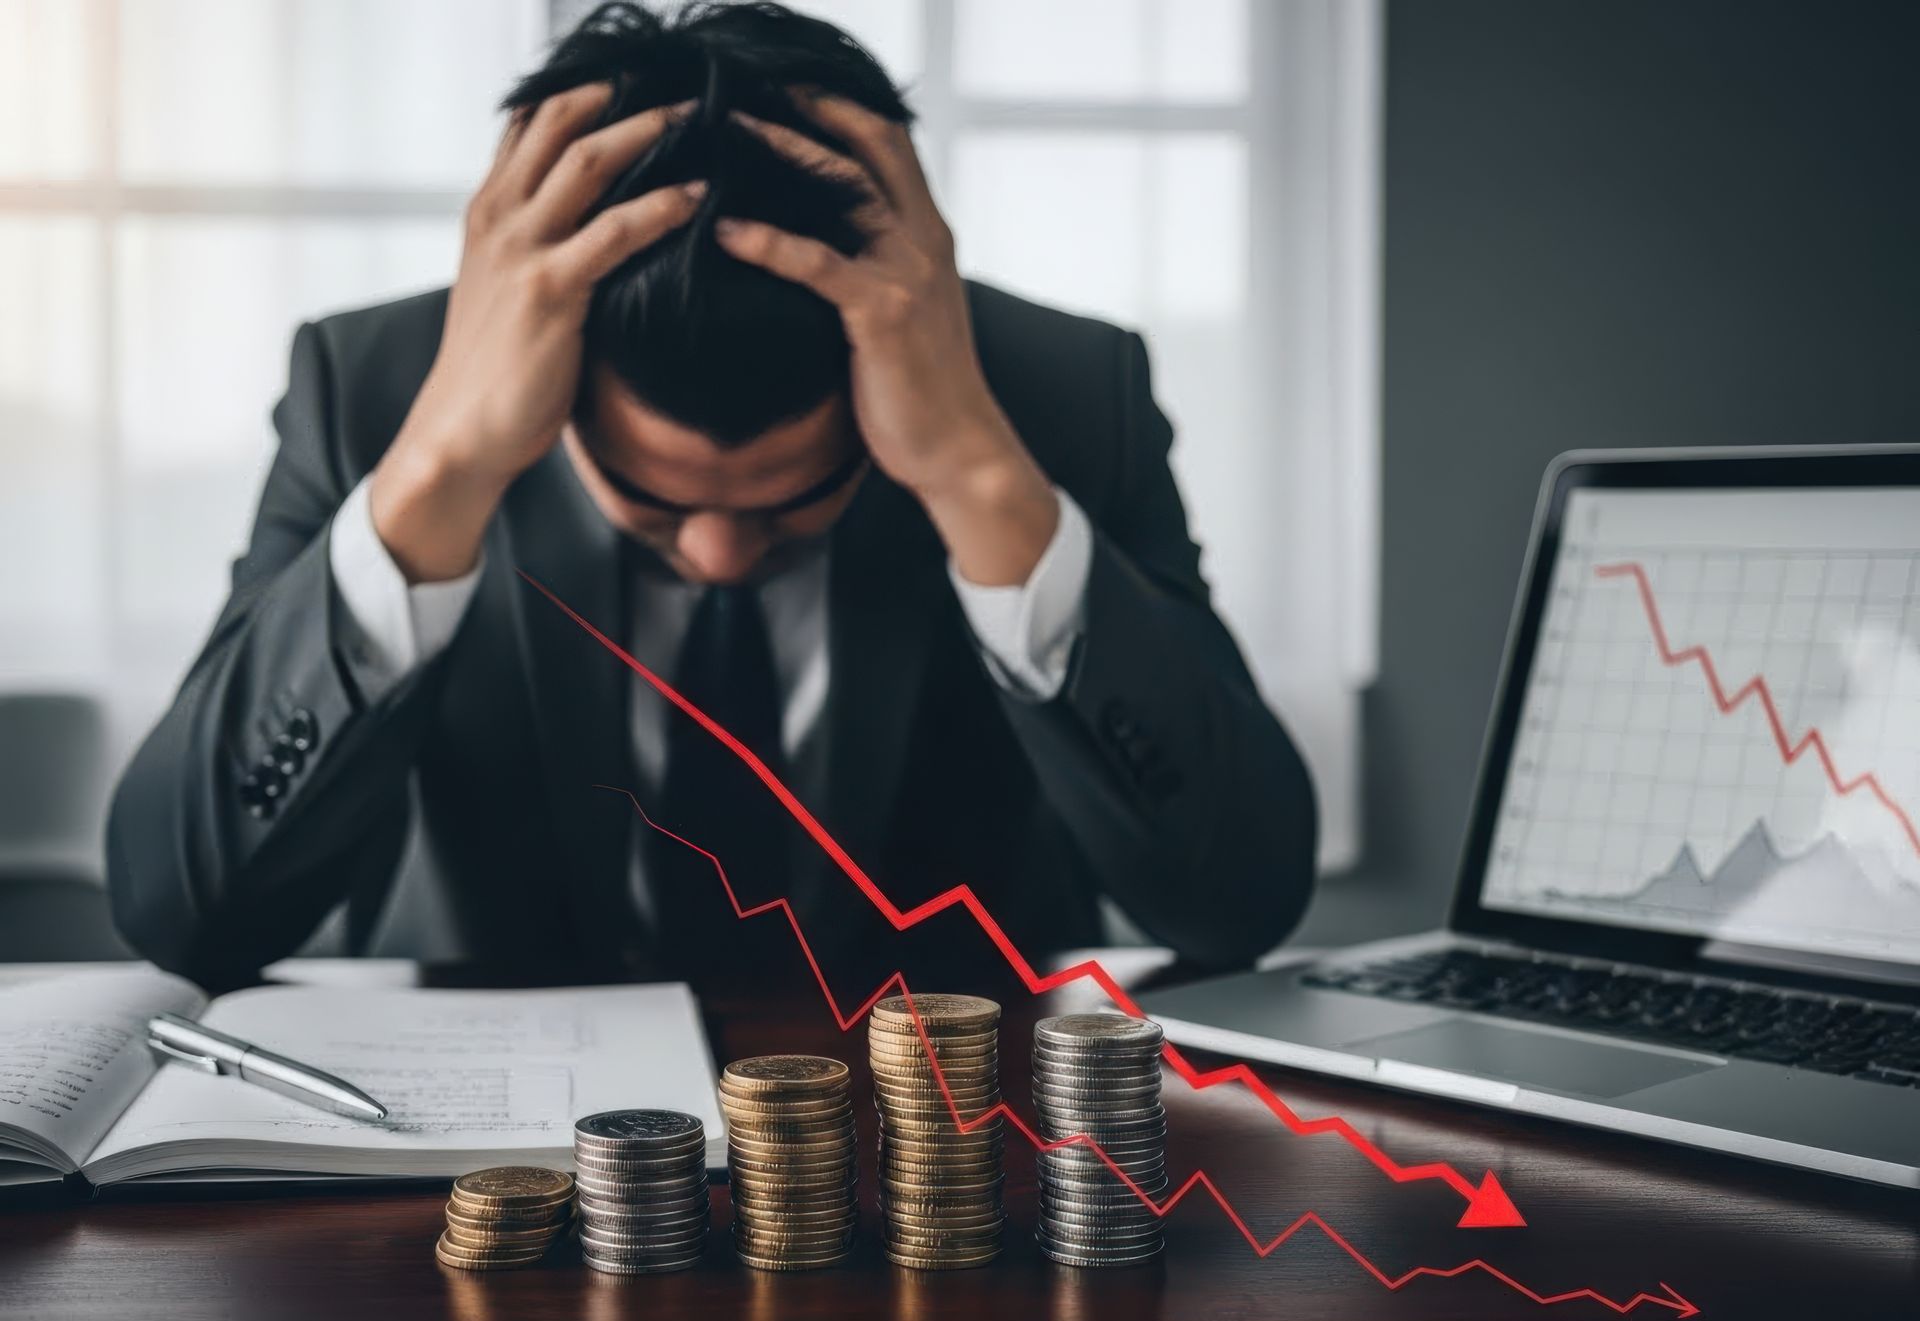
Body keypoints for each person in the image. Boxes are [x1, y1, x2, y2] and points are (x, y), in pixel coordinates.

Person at [106, 1, 1318, 994]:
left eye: (798, 505)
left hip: (943, 1141)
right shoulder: (380, 396)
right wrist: (438, 474)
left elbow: (1242, 900)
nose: (725, 555)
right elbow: (181, 915)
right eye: (650, 502)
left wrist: (979, 479)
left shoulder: (1052, 400)